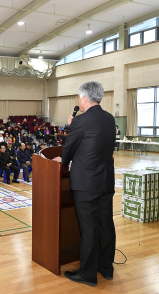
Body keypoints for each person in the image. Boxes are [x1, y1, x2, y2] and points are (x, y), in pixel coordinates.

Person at [52, 81, 116, 287]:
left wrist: (62, 158)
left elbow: (68, 150)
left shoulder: (80, 121)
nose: (78, 101)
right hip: (105, 180)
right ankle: (105, 268)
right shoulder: (109, 118)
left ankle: (88, 274)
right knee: (106, 225)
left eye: (79, 97)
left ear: (85, 98)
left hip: (86, 183)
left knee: (89, 228)